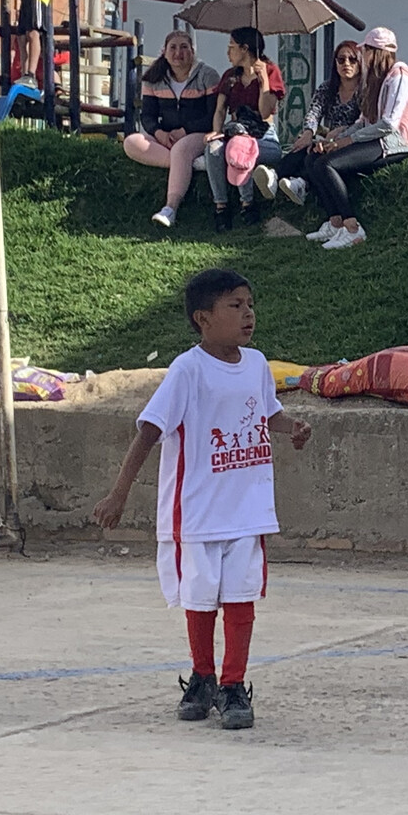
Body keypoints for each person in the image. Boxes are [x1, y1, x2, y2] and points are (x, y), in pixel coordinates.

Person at [90, 268, 312, 730]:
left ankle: (234, 685)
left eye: (250, 304)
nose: (248, 314)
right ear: (203, 319)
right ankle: (203, 676)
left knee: (241, 598)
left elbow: (268, 411)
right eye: (235, 305)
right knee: (200, 598)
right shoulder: (187, 370)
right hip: (199, 513)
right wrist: (119, 491)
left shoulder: (256, 364)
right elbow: (149, 430)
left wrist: (293, 428)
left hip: (247, 511)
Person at [307, 27, 408, 252]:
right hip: (378, 140)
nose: (363, 57)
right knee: (315, 159)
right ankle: (335, 222)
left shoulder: (400, 76)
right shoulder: (377, 79)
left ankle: (352, 227)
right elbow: (364, 121)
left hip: (398, 143)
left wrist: (346, 142)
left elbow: (389, 124)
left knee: (328, 165)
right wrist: (337, 139)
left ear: (375, 52)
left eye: (365, 51)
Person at [121, 30, 221, 229]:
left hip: (196, 134)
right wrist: (159, 133)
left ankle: (170, 208)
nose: (178, 53)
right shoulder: (153, 78)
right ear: (164, 52)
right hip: (165, 137)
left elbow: (212, 117)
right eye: (173, 48)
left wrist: (185, 131)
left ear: (192, 51)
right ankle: (187, 165)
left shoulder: (207, 75)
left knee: (182, 149)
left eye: (184, 47)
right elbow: (147, 116)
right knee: (131, 142)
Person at [276, 38, 369, 243]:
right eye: (341, 59)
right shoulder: (328, 88)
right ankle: (333, 220)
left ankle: (296, 182)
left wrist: (338, 134)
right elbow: (314, 112)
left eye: (352, 59)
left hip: (351, 142)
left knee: (314, 158)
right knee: (305, 147)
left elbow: (364, 122)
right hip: (327, 139)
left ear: (361, 62)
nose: (346, 64)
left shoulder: (365, 90)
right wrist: (309, 131)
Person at [202, 27, 286, 232]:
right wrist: (216, 130)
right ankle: (220, 205)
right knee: (214, 150)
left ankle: (247, 203)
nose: (228, 52)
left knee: (241, 147)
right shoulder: (230, 76)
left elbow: (266, 112)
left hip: (263, 136)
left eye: (232, 47)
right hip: (235, 131)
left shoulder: (270, 70)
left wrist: (263, 80)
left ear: (245, 49)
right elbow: (220, 109)